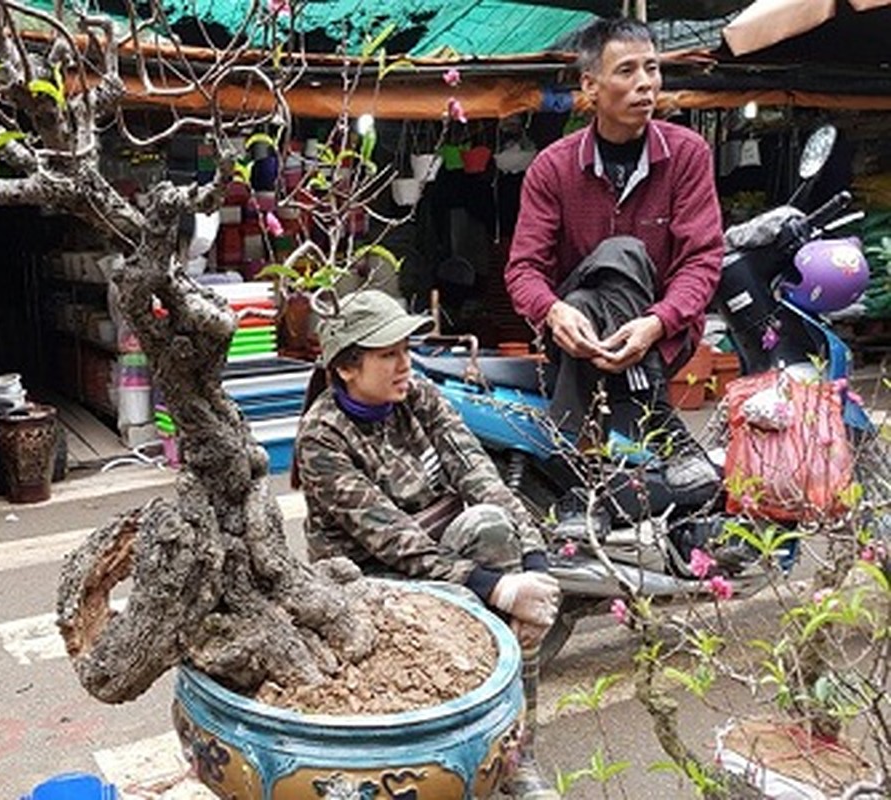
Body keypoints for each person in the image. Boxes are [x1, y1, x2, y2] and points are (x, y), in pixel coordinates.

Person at [294, 289, 560, 800]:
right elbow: (397, 544)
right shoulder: (322, 438)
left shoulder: (420, 397)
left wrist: (535, 569)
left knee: (491, 527)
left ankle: (517, 758)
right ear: (349, 368)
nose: (403, 364)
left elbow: (484, 481)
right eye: (387, 354)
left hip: (436, 550)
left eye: (405, 349)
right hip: (370, 580)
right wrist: (497, 589)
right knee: (473, 601)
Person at [504, 16, 725, 517]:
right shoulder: (553, 168)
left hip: (659, 335)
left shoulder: (687, 155)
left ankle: (575, 467)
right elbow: (523, 270)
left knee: (621, 254)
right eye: (626, 70)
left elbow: (702, 261)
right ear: (589, 85)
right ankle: (660, 430)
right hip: (574, 340)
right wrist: (555, 313)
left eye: (652, 68)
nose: (645, 83)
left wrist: (655, 323)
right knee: (592, 288)